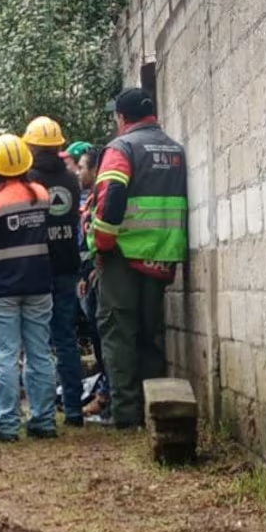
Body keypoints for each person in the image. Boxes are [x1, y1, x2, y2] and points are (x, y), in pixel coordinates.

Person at [93, 88, 189, 429]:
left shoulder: (122, 148)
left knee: (119, 333)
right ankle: (156, 411)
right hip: (163, 254)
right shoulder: (175, 150)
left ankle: (126, 415)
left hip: (125, 254)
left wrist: (102, 242)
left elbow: (112, 194)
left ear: (122, 118)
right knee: (151, 335)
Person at [0, 133, 57, 441]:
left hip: (1, 288)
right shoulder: (41, 193)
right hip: (38, 284)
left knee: (6, 358)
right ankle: (44, 421)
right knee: (40, 354)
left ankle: (6, 425)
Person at [23, 115, 84, 427]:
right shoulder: (73, 179)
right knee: (65, 339)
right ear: (58, 145)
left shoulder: (28, 181)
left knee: (37, 342)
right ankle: (73, 410)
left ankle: (41, 411)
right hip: (67, 266)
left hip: (37, 267)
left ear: (31, 146)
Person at [76, 145, 112, 420]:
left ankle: (108, 396)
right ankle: (105, 393)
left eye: (81, 167)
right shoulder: (89, 198)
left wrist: (93, 268)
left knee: (104, 337)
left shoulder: (102, 197)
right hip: (88, 276)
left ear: (94, 170)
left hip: (98, 274)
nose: (78, 172)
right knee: (98, 338)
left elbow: (99, 236)